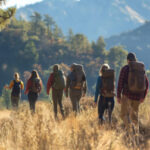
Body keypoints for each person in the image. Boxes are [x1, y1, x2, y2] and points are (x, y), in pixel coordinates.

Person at [117, 52, 149, 134]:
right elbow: (146, 83)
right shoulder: (140, 69)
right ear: (135, 59)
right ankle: (137, 135)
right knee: (134, 117)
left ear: (128, 60)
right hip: (138, 98)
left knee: (124, 115)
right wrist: (143, 96)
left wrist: (118, 96)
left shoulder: (125, 69)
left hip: (127, 96)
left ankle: (131, 131)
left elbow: (120, 83)